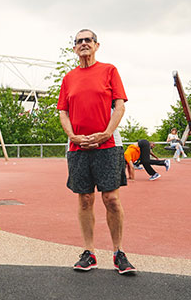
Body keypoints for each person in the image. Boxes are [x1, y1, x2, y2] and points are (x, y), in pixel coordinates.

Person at [58, 29, 136, 275]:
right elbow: (63, 112)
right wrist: (73, 136)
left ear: (96, 45)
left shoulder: (109, 70)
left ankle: (119, 252)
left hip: (108, 144)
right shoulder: (69, 78)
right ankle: (89, 252)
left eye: (88, 40)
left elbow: (119, 106)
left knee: (111, 198)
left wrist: (106, 133)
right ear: (74, 48)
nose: (83, 44)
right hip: (78, 146)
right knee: (85, 199)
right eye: (79, 41)